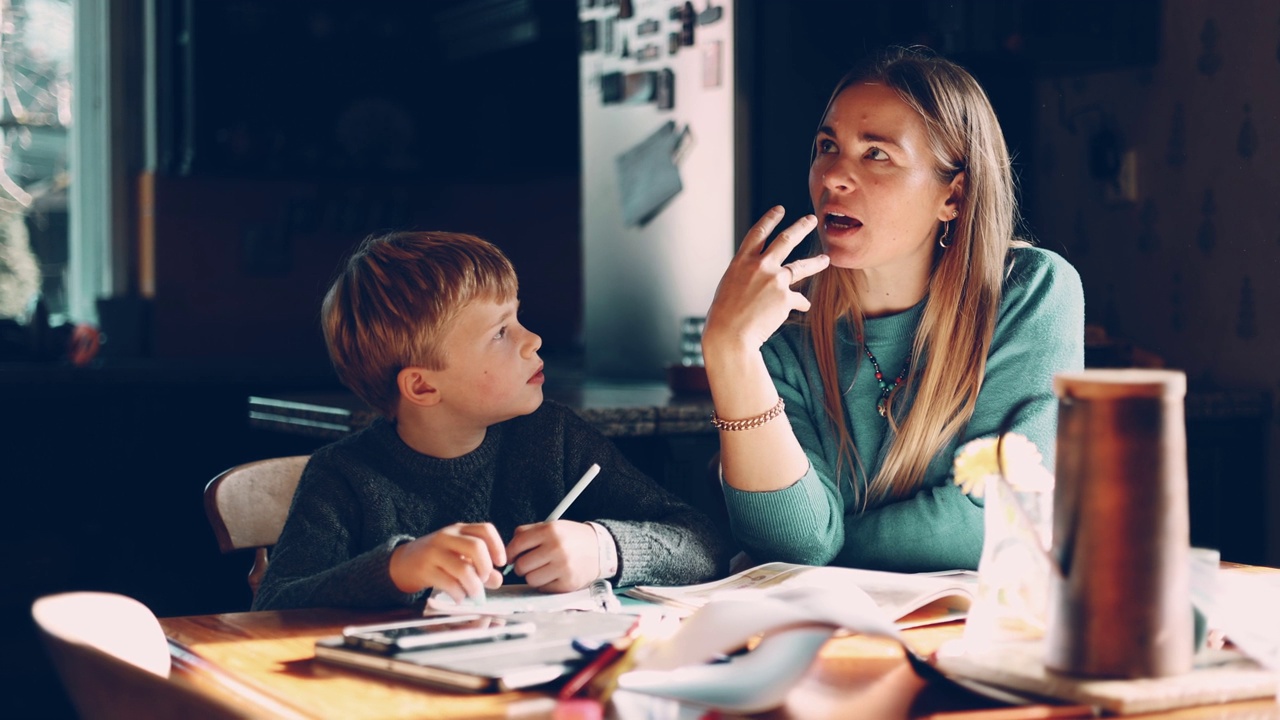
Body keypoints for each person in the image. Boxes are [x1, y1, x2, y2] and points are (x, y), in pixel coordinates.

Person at [701, 46, 1084, 573]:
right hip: (826, 634)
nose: (833, 175)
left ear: (954, 195)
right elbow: (793, 544)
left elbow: (1001, 516)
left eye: (876, 153)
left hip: (979, 630)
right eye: (826, 145)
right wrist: (728, 351)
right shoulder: (780, 327)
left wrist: (831, 545)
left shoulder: (1029, 292)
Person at [254, 231, 729, 611]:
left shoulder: (553, 437)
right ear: (422, 387)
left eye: (517, 317)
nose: (533, 339)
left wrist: (602, 548)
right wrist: (399, 567)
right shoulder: (343, 476)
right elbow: (273, 605)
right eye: (501, 332)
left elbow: (704, 543)